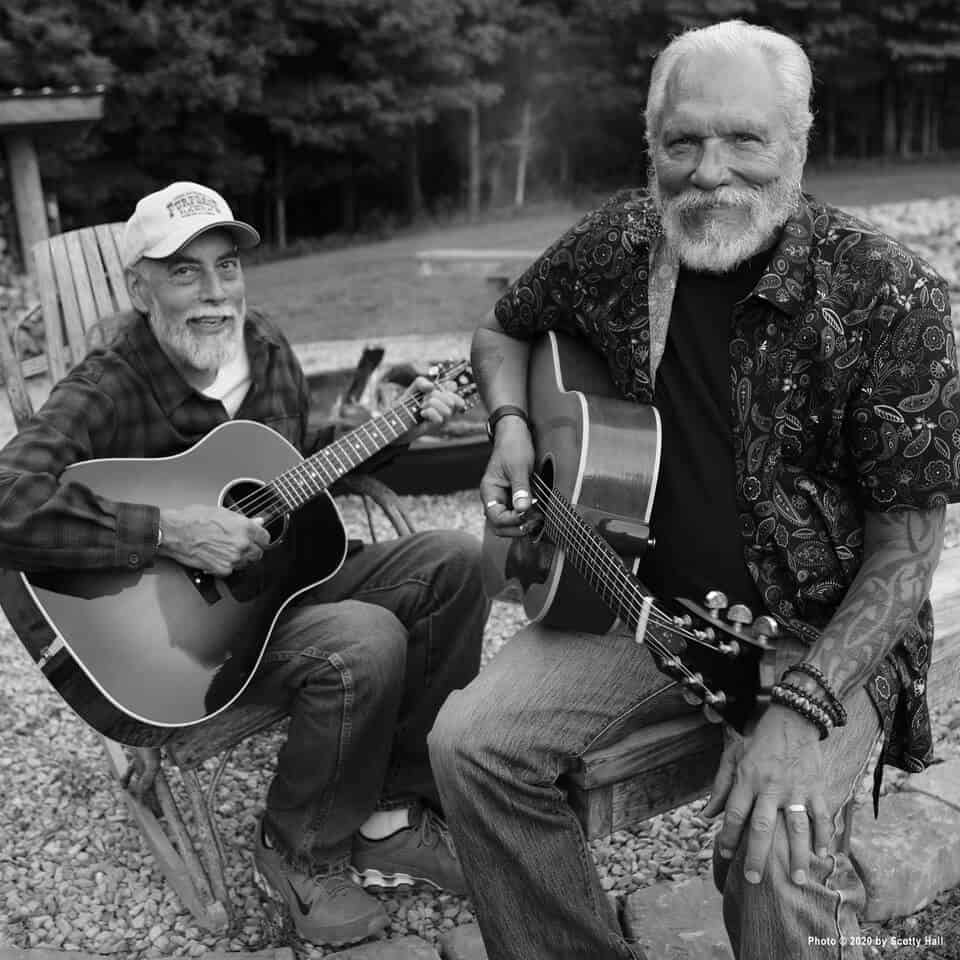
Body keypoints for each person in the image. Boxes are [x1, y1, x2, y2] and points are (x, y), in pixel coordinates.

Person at [427, 19, 959, 960]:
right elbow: (503, 332)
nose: (709, 169)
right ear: (654, 149)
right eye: (683, 142)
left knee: (773, 845)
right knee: (469, 744)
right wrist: (512, 427)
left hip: (823, 632)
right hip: (642, 603)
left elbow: (908, 553)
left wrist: (805, 709)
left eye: (744, 138)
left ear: (797, 141)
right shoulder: (622, 243)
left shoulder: (890, 299)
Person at [0, 181, 488, 947]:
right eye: (184, 271)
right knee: (362, 637)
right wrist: (167, 533)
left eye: (226, 267)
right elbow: (6, 498)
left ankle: (389, 812)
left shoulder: (264, 346)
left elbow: (295, 467)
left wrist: (393, 430)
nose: (214, 293)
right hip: (188, 654)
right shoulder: (108, 383)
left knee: (457, 560)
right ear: (139, 286)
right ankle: (296, 850)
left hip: (286, 591)